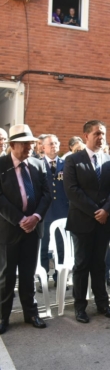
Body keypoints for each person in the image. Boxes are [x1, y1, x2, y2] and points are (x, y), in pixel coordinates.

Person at [63, 120, 110, 324]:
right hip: (82, 221)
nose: (101, 137)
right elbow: (72, 190)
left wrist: (106, 210)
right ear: (86, 135)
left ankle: (103, 304)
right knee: (82, 265)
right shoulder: (73, 160)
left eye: (103, 133)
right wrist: (95, 210)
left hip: (105, 221)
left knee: (99, 265)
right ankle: (80, 306)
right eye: (97, 133)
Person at [0, 124, 51, 334]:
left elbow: (47, 194)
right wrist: (21, 219)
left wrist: (36, 217)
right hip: (9, 230)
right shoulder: (1, 164)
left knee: (29, 274)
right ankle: (3, 317)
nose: (30, 147)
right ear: (12, 145)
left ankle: (31, 313)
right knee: (6, 276)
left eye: (31, 142)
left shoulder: (38, 165)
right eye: (25, 143)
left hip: (33, 230)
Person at [39, 134, 69, 289]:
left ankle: (60, 277)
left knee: (61, 246)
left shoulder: (66, 164)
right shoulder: (38, 164)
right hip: (44, 212)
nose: (54, 146)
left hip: (62, 212)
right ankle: (43, 278)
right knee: (43, 247)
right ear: (43, 147)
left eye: (56, 143)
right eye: (50, 144)